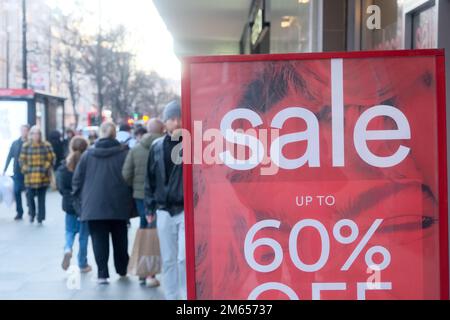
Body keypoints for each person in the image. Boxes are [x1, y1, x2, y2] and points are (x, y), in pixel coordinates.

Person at [73, 122, 133, 284]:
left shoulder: (88, 155)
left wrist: (80, 205)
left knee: (99, 240)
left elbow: (77, 181)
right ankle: (122, 269)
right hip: (119, 203)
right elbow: (131, 178)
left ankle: (102, 274)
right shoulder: (124, 153)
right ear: (115, 134)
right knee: (120, 238)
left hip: (94, 206)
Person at [144, 101, 186, 300]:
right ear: (165, 122)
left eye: (179, 118)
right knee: (169, 258)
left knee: (183, 258)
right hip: (163, 208)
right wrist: (150, 206)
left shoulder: (191, 144)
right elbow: (150, 178)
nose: (176, 122)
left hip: (186, 209)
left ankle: (187, 296)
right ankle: (171, 296)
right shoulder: (157, 146)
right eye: (172, 118)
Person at [122, 119, 165, 287]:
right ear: (162, 129)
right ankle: (152, 271)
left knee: (144, 231)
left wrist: (137, 187)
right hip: (161, 197)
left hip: (141, 196)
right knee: (159, 231)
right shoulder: (164, 147)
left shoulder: (136, 148)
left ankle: (143, 270)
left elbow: (126, 174)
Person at [56, 136, 92, 273]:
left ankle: (67, 248)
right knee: (83, 236)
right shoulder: (88, 164)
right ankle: (82, 263)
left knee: (70, 231)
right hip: (85, 205)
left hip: (70, 205)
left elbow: (60, 187)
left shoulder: (64, 166)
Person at [19, 126, 55, 225]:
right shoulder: (26, 146)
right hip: (30, 177)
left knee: (41, 198)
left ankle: (40, 217)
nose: (36, 136)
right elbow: (21, 160)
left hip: (43, 176)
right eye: (34, 133)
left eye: (38, 133)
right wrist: (26, 169)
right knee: (30, 197)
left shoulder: (46, 145)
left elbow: (52, 158)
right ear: (30, 135)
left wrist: (45, 168)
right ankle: (32, 214)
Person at [3, 125, 30, 221]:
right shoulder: (15, 143)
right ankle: (19, 212)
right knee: (17, 191)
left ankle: (30, 208)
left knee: (29, 192)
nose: (23, 132)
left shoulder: (30, 143)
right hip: (17, 172)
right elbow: (10, 156)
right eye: (22, 130)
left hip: (28, 172)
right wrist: (5, 169)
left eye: (25, 130)